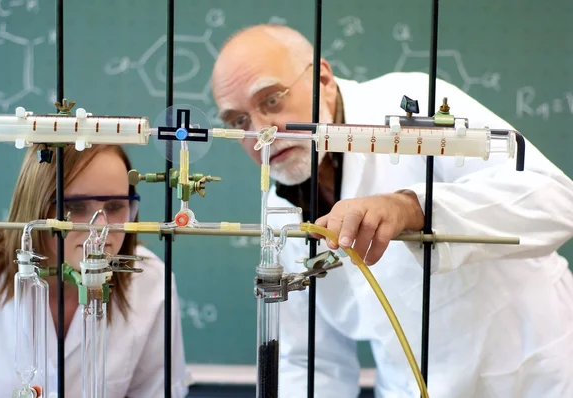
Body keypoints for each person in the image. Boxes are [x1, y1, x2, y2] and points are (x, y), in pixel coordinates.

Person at [211, 24, 573, 398]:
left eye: (272, 100)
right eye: (239, 121)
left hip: (534, 376)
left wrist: (411, 206)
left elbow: (556, 202)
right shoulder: (282, 213)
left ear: (323, 79)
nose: (260, 133)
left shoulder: (413, 105)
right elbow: (311, 361)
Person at [0, 144, 189, 397]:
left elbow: (156, 392)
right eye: (75, 207)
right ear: (37, 206)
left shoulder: (150, 281)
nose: (100, 227)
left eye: (115, 206)